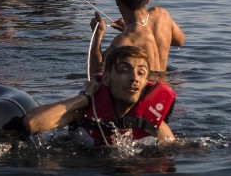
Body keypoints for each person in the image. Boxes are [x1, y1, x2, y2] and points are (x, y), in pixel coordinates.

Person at [22, 45, 176, 145]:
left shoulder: (151, 124)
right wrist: (83, 97)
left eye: (141, 73)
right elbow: (33, 123)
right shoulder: (83, 112)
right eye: (124, 70)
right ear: (107, 79)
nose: (134, 78)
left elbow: (177, 152)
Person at [89, 0, 185, 75]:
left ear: (116, 0)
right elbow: (180, 41)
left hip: (145, 90)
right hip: (166, 88)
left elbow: (96, 74)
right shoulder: (162, 15)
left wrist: (97, 35)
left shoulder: (124, 41)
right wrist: (128, 29)